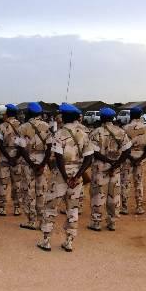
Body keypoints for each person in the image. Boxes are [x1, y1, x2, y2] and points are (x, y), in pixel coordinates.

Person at [42, 104, 93, 252]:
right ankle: (69, 241)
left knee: (51, 207)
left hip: (60, 175)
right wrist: (76, 176)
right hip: (77, 176)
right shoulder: (84, 134)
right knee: (73, 208)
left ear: (63, 117)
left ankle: (46, 241)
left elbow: (58, 157)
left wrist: (65, 177)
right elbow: (89, 158)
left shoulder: (59, 134)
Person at [88, 108, 131, 231]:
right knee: (114, 195)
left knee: (98, 195)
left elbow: (94, 152)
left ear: (101, 118)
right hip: (115, 169)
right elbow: (127, 150)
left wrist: (107, 161)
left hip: (100, 168)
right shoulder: (121, 132)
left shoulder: (96, 132)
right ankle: (112, 222)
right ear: (113, 118)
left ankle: (96, 222)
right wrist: (116, 164)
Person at [16, 102, 53, 231]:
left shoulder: (23, 127)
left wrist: (32, 164)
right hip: (42, 161)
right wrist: (42, 165)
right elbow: (49, 148)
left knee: (29, 191)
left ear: (29, 113)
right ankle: (42, 221)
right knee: (41, 191)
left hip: (28, 163)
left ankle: (32, 221)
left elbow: (21, 149)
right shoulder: (47, 126)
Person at [121, 106, 146, 215]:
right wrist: (140, 159)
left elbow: (123, 147)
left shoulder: (125, 128)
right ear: (140, 115)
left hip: (127, 158)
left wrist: (130, 157)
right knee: (139, 182)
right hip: (140, 158)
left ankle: (124, 207)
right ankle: (139, 207)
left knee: (125, 182)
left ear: (130, 115)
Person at [0, 104, 23, 217]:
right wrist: (15, 158)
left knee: (3, 182)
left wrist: (8, 157)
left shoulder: (1, 126)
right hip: (17, 158)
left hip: (4, 158)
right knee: (17, 183)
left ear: (7, 113)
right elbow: (22, 145)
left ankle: (2, 208)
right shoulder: (22, 126)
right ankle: (17, 208)